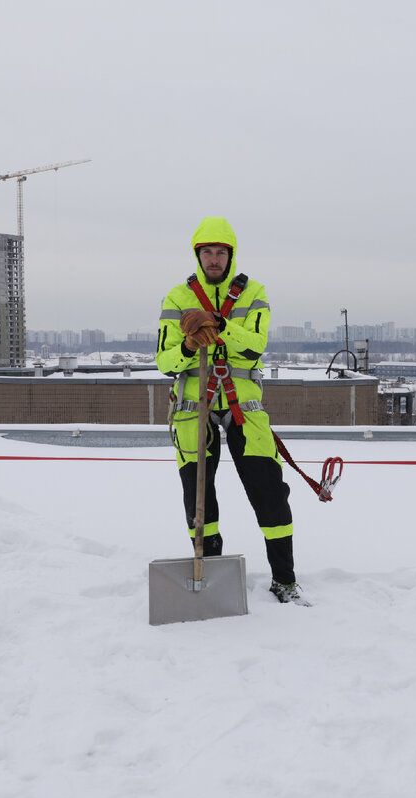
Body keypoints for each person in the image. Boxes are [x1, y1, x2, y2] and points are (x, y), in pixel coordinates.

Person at [156, 216, 308, 606]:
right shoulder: (177, 298)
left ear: (231, 255)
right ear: (197, 255)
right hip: (194, 407)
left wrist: (219, 324)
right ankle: (209, 576)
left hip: (243, 406)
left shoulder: (253, 293)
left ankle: (285, 580)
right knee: (198, 497)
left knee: (269, 491)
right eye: (207, 252)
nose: (213, 259)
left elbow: (255, 345)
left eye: (220, 252)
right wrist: (188, 347)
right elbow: (164, 362)